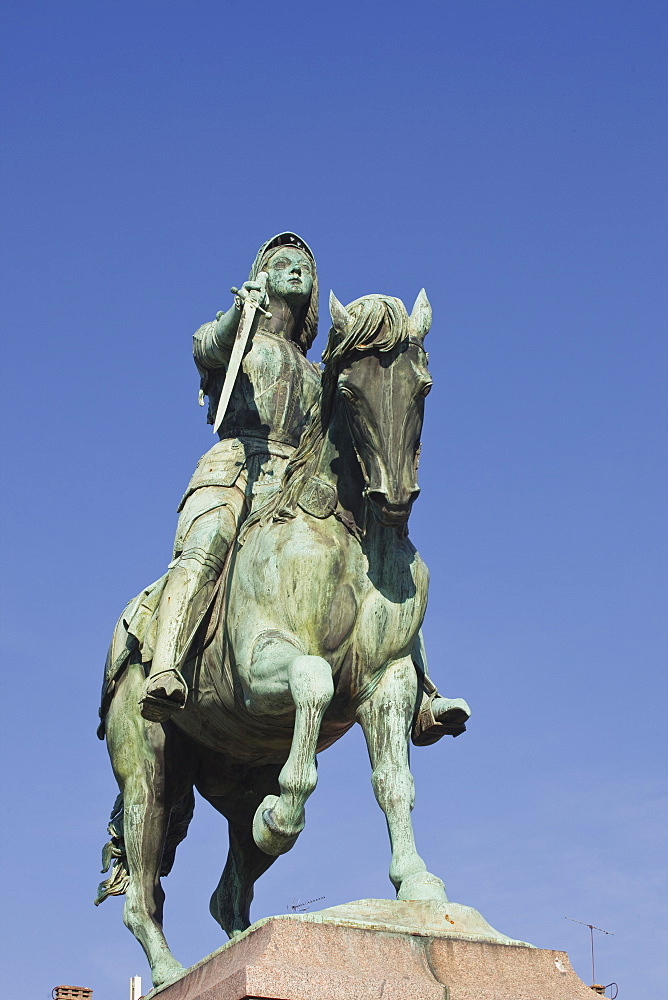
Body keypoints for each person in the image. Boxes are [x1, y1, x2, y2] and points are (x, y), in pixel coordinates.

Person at [138, 232, 322, 722]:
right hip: (237, 463)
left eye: (304, 264)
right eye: (283, 262)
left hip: (295, 478)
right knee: (207, 545)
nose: (296, 269)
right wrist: (237, 315)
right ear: (262, 273)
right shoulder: (236, 338)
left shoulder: (315, 370)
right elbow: (210, 346)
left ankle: (420, 690)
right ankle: (166, 664)